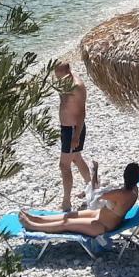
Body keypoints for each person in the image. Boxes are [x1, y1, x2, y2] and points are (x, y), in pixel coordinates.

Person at [19, 163, 139, 237]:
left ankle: (33, 225)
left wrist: (95, 176)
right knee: (68, 215)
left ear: (125, 176)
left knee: (66, 223)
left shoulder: (120, 193)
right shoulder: (134, 191)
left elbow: (97, 195)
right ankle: (37, 218)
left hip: (102, 226)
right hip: (101, 216)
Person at [55, 62, 91, 211]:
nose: (58, 79)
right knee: (76, 158)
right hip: (66, 128)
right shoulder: (63, 82)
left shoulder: (77, 86)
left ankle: (66, 202)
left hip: (73, 130)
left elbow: (82, 112)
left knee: (64, 165)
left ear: (68, 71)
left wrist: (76, 135)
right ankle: (92, 186)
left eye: (60, 75)